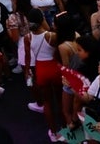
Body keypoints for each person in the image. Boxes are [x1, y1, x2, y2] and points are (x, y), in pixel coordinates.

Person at [24, 8, 65, 142]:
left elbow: (28, 57)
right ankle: (65, 128)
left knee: (47, 102)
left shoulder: (27, 37)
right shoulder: (51, 36)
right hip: (54, 69)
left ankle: (53, 133)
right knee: (60, 100)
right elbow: (59, 52)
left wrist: (27, 72)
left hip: (40, 70)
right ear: (42, 20)